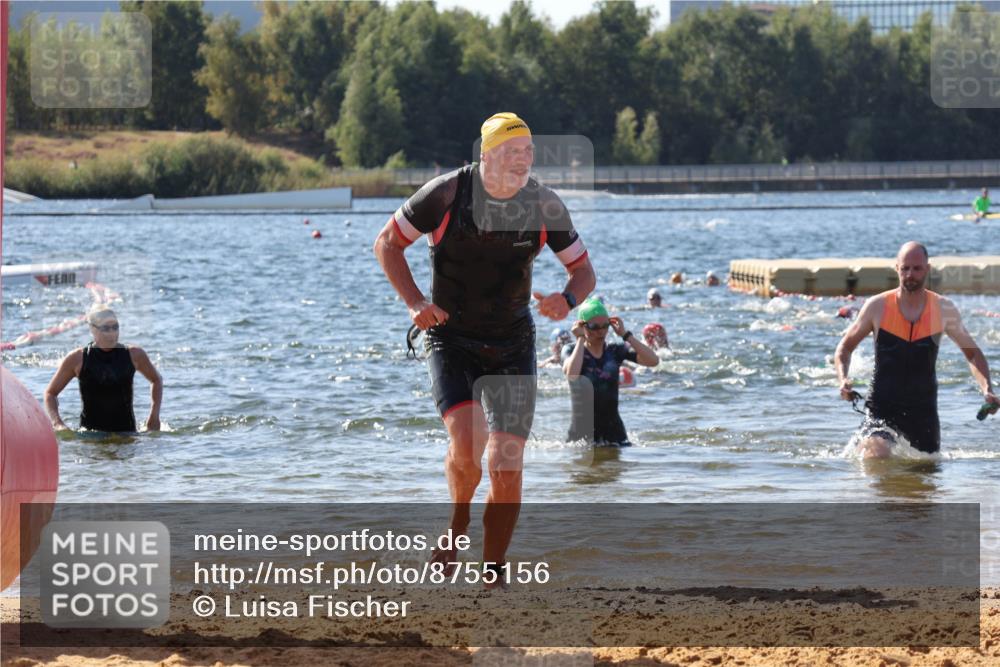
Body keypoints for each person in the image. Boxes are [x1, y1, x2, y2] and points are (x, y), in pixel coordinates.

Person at [372, 112, 596, 583]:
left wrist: (567, 299)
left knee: (506, 464)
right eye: (512, 152)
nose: (523, 162)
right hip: (451, 338)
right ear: (486, 155)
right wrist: (415, 302)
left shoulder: (545, 205)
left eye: (529, 152)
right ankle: (457, 524)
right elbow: (388, 244)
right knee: (470, 447)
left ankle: (493, 573)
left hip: (513, 342)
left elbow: (583, 271)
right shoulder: (447, 194)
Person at [835, 242, 998, 457]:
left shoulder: (943, 309)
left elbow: (972, 353)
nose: (910, 274)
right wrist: (843, 380)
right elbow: (844, 348)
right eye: (905, 268)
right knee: (875, 454)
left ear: (927, 269)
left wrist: (987, 388)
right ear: (897, 269)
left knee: (923, 484)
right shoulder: (877, 306)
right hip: (882, 409)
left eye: (917, 268)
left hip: (923, 414)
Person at [44, 306, 162, 433]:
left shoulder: (134, 355)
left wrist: (154, 416)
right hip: (90, 437)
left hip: (127, 435)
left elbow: (156, 380)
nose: (112, 333)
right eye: (106, 328)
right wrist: (57, 423)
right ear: (92, 329)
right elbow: (50, 393)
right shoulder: (78, 359)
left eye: (115, 327)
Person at [563, 298, 658, 447]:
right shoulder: (571, 350)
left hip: (616, 434)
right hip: (582, 437)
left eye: (605, 326)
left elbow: (653, 360)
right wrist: (580, 338)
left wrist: (626, 335)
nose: (601, 331)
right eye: (594, 326)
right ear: (582, 326)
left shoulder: (615, 351)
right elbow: (572, 375)